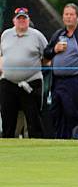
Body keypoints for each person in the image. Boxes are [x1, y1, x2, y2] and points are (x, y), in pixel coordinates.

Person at [44, 3, 78, 139]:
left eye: (71, 14)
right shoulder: (58, 34)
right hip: (57, 82)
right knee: (56, 112)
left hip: (75, 81)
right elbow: (46, 53)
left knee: (72, 112)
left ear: (77, 17)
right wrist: (55, 49)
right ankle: (59, 140)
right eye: (66, 14)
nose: (68, 17)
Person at [0, 8, 48, 138]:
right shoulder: (6, 35)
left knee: (33, 120)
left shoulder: (37, 35)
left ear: (28, 20)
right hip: (8, 82)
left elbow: (47, 56)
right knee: (7, 120)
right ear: (14, 21)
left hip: (31, 82)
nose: (21, 21)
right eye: (19, 18)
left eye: (24, 18)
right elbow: (1, 55)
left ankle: (37, 148)